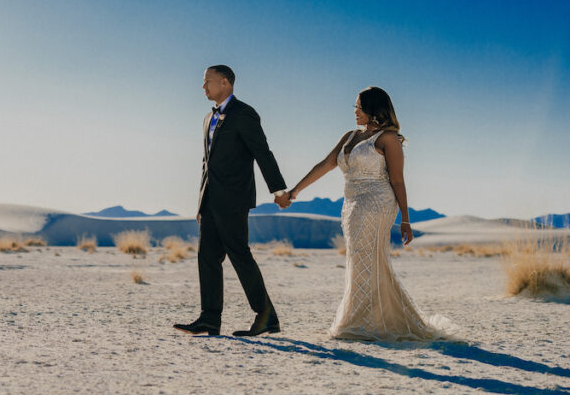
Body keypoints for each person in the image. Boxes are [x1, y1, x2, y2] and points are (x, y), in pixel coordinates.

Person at [287, 86, 455, 341]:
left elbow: (398, 180)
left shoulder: (389, 139)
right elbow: (325, 164)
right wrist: (294, 191)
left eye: (359, 106)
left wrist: (406, 220)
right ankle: (372, 319)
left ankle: (359, 322)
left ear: (373, 109)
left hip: (377, 202)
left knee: (367, 259)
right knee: (361, 259)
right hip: (351, 202)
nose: (355, 111)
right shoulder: (349, 136)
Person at [174, 65, 291, 338]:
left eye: (208, 82)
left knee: (239, 255)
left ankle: (267, 316)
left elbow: (262, 152)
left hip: (234, 199)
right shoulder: (207, 118)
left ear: (225, 83)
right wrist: (201, 202)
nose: (203, 87)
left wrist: (278, 189)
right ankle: (209, 319)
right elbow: (207, 164)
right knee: (207, 258)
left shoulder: (244, 114)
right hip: (211, 201)